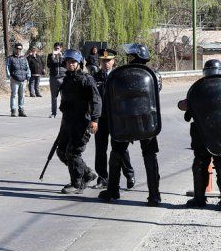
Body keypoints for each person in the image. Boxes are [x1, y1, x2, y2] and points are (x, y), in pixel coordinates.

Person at [99, 43, 162, 206]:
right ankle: (154, 195)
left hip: (125, 122)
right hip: (147, 122)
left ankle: (113, 191)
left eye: (130, 56)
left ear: (135, 57)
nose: (128, 59)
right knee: (149, 156)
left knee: (117, 153)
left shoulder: (122, 75)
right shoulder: (154, 74)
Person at [181, 60, 221, 211]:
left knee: (216, 166)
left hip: (214, 134)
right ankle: (206, 199)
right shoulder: (205, 88)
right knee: (206, 166)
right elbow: (188, 112)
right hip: (210, 135)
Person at [55, 49, 101, 194]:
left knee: (73, 153)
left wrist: (95, 119)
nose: (71, 64)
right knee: (62, 151)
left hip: (82, 122)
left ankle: (77, 183)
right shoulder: (67, 79)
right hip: (68, 121)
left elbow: (96, 100)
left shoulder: (86, 79)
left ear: (79, 63)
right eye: (68, 62)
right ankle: (87, 173)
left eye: (74, 62)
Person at [93, 49, 135, 190]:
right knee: (100, 149)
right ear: (100, 61)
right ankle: (103, 178)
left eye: (108, 60)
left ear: (113, 61)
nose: (106, 63)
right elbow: (91, 99)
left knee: (120, 149)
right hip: (101, 119)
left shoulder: (120, 77)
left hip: (117, 119)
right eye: (103, 61)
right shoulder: (95, 77)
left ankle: (129, 174)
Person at [7, 43, 30, 117]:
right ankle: (13, 110)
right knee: (14, 95)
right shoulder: (10, 58)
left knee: (22, 95)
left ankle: (21, 110)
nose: (18, 50)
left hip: (23, 80)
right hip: (14, 79)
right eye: (17, 48)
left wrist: (28, 76)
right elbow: (7, 67)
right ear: (14, 49)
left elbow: (27, 67)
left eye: (20, 49)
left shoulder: (24, 58)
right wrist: (9, 76)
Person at [47, 42, 66, 118]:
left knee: (64, 96)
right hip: (53, 77)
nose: (57, 50)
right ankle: (53, 113)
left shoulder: (64, 55)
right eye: (55, 48)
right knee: (54, 97)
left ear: (61, 48)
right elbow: (49, 65)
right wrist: (53, 56)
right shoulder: (50, 55)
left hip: (63, 77)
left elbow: (64, 64)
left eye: (58, 48)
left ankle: (65, 113)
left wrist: (61, 57)